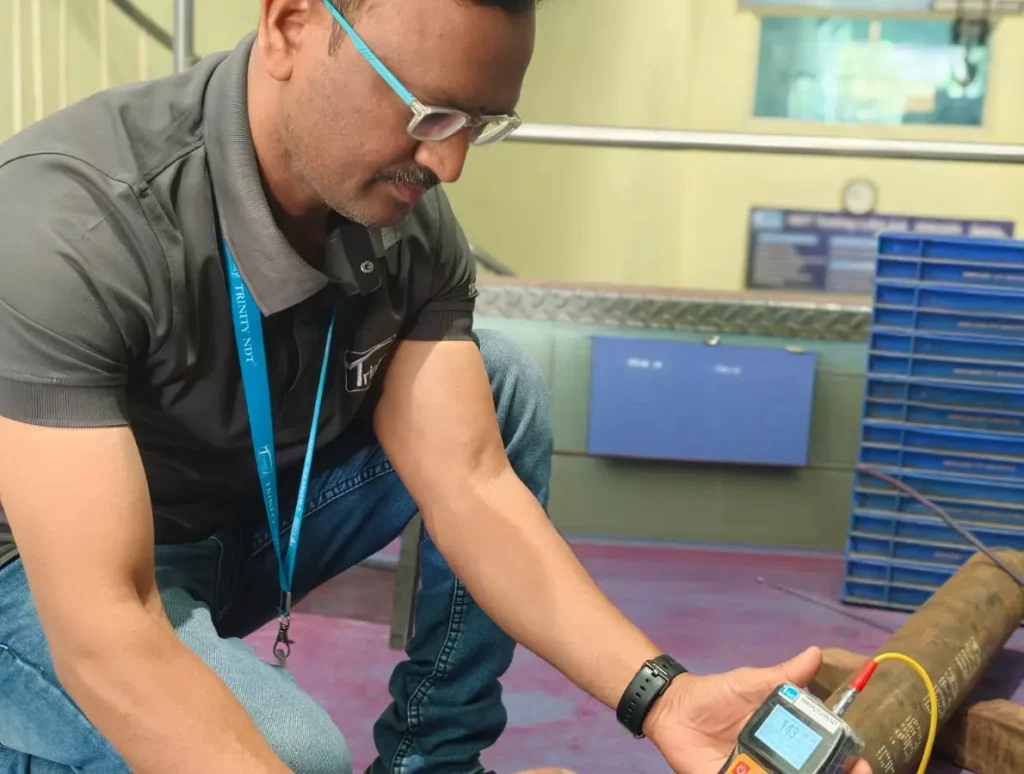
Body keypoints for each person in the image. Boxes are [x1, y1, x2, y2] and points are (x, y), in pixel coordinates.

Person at [0, 1, 873, 773]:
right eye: (428, 111)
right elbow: (108, 626)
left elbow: (474, 484)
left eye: (481, 123)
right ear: (290, 25)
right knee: (295, 757)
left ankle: (430, 761)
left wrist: (665, 698)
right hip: (47, 580)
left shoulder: (407, 222)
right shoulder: (68, 222)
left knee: (501, 387)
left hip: (227, 529)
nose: (449, 163)